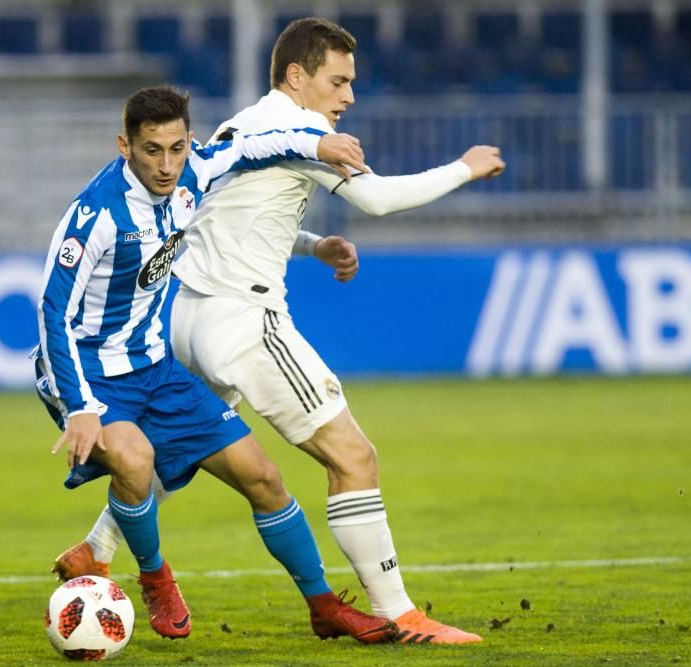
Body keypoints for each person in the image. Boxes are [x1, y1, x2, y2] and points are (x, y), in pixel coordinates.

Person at [53, 19, 505, 645]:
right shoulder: (305, 131)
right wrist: (463, 167)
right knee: (353, 456)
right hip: (243, 319)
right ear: (298, 75)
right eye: (338, 80)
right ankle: (403, 614)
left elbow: (213, 219)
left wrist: (312, 244)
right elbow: (377, 200)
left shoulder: (241, 124)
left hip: (182, 314)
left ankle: (98, 548)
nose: (347, 96)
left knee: (195, 443)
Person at [34, 85, 400, 644]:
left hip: (153, 365)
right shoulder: (96, 215)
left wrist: (320, 143)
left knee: (264, 476)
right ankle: (156, 577)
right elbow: (52, 312)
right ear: (124, 146)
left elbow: (257, 144)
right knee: (135, 460)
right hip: (89, 373)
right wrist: (80, 408)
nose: (166, 164)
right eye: (152, 150)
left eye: (176, 148)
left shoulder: (194, 172)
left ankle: (323, 605)